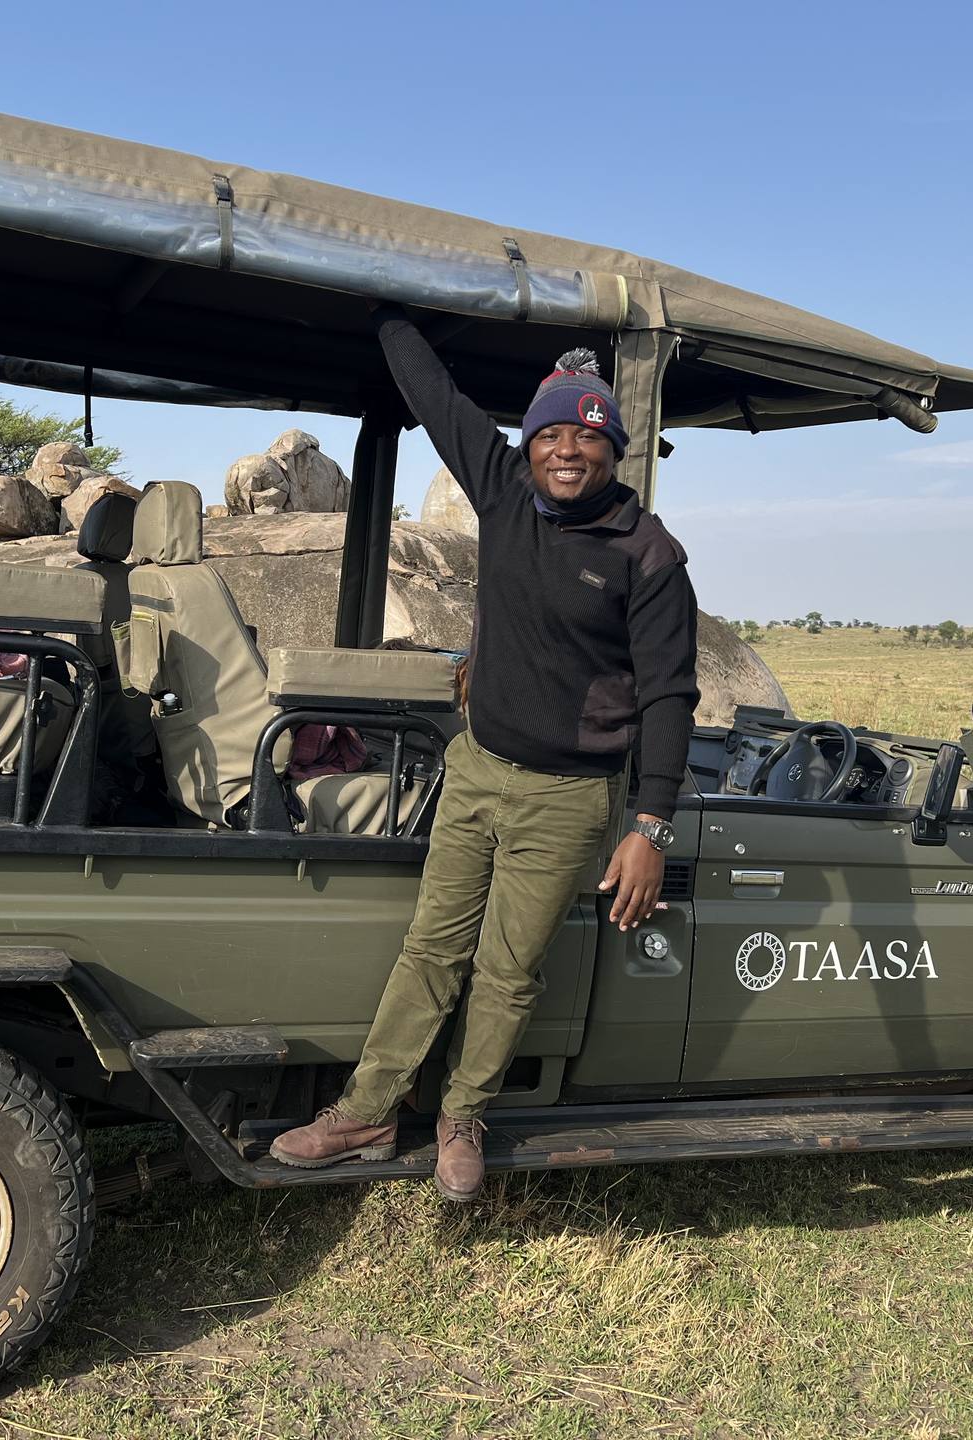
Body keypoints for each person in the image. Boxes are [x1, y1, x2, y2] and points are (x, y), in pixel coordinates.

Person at [269, 310, 699, 1201]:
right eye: (549, 433)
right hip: (476, 768)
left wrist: (649, 824)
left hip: (570, 794)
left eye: (587, 434)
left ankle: (463, 1117)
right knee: (431, 947)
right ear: (529, 444)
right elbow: (436, 397)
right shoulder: (502, 489)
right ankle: (369, 1109)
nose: (566, 450)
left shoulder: (647, 553)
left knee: (508, 969)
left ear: (612, 449)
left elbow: (669, 695)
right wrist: (384, 305)